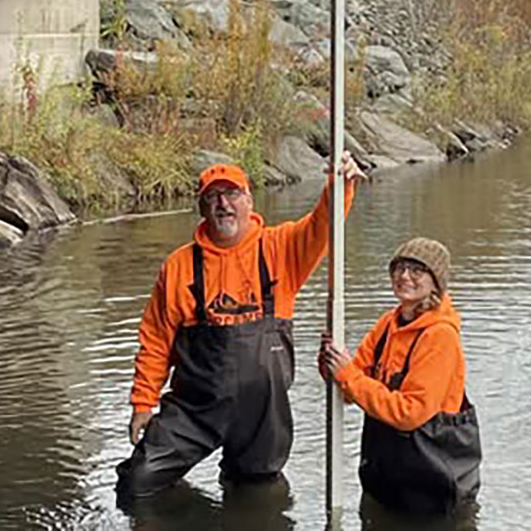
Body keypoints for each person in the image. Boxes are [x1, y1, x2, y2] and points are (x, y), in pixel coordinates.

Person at [116, 153, 364, 500]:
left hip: (261, 415)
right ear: (202, 208)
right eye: (212, 197)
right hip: (194, 410)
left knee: (258, 499)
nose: (223, 204)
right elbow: (156, 340)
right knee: (137, 483)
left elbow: (324, 224)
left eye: (232, 194)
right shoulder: (178, 267)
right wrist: (143, 404)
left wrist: (341, 184)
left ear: (249, 201)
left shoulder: (282, 247)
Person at [320, 237, 482, 516]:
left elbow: (411, 413)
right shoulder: (387, 324)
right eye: (398, 268)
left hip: (433, 489)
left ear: (435, 282)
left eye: (416, 270)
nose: (404, 276)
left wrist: (348, 375)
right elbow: (349, 390)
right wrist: (331, 365)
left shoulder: (440, 336)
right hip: (389, 481)